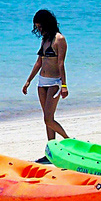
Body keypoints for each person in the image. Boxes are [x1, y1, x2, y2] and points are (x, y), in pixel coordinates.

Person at [22, 9, 70, 144]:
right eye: (37, 27)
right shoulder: (45, 40)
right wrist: (28, 81)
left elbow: (61, 64)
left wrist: (64, 86)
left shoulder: (59, 39)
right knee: (47, 118)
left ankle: (69, 140)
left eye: (40, 26)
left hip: (55, 82)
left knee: (48, 119)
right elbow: (39, 62)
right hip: (42, 82)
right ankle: (52, 148)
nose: (39, 29)